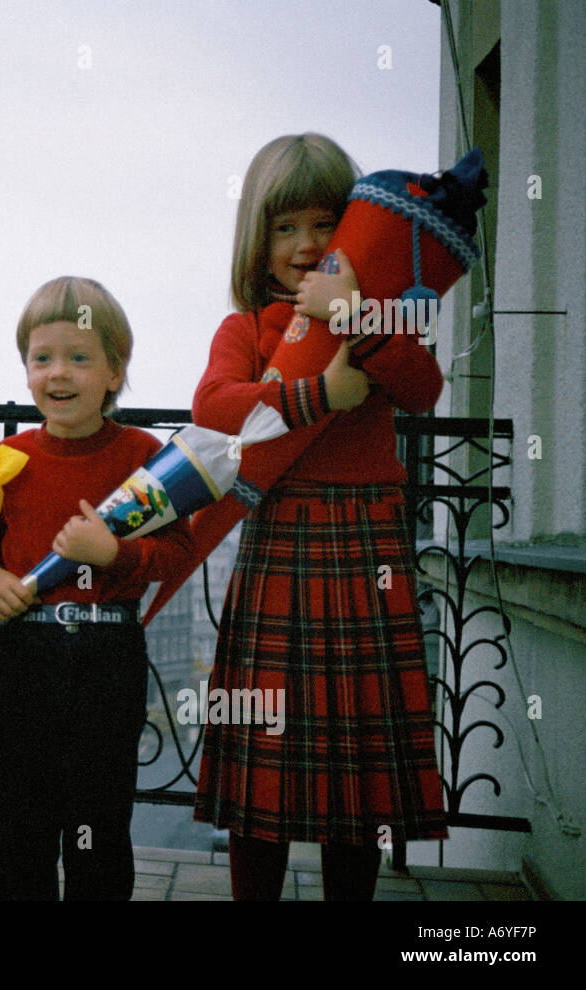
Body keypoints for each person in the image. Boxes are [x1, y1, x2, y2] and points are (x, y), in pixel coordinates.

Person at [193, 133, 448, 901]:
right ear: (257, 240)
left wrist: (359, 316)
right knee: (260, 775)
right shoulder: (247, 328)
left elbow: (423, 388)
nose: (306, 246)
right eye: (285, 227)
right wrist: (316, 395)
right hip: (282, 540)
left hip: (367, 545)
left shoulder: (373, 316)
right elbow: (213, 408)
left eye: (323, 225)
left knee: (359, 779)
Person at [0, 276, 192, 900]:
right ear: (26, 369)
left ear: (115, 371)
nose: (58, 373)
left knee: (100, 823)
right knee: (23, 825)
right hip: (23, 655)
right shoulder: (6, 458)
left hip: (106, 658)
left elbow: (177, 552)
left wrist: (110, 552)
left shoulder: (146, 457)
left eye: (79, 358)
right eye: (42, 358)